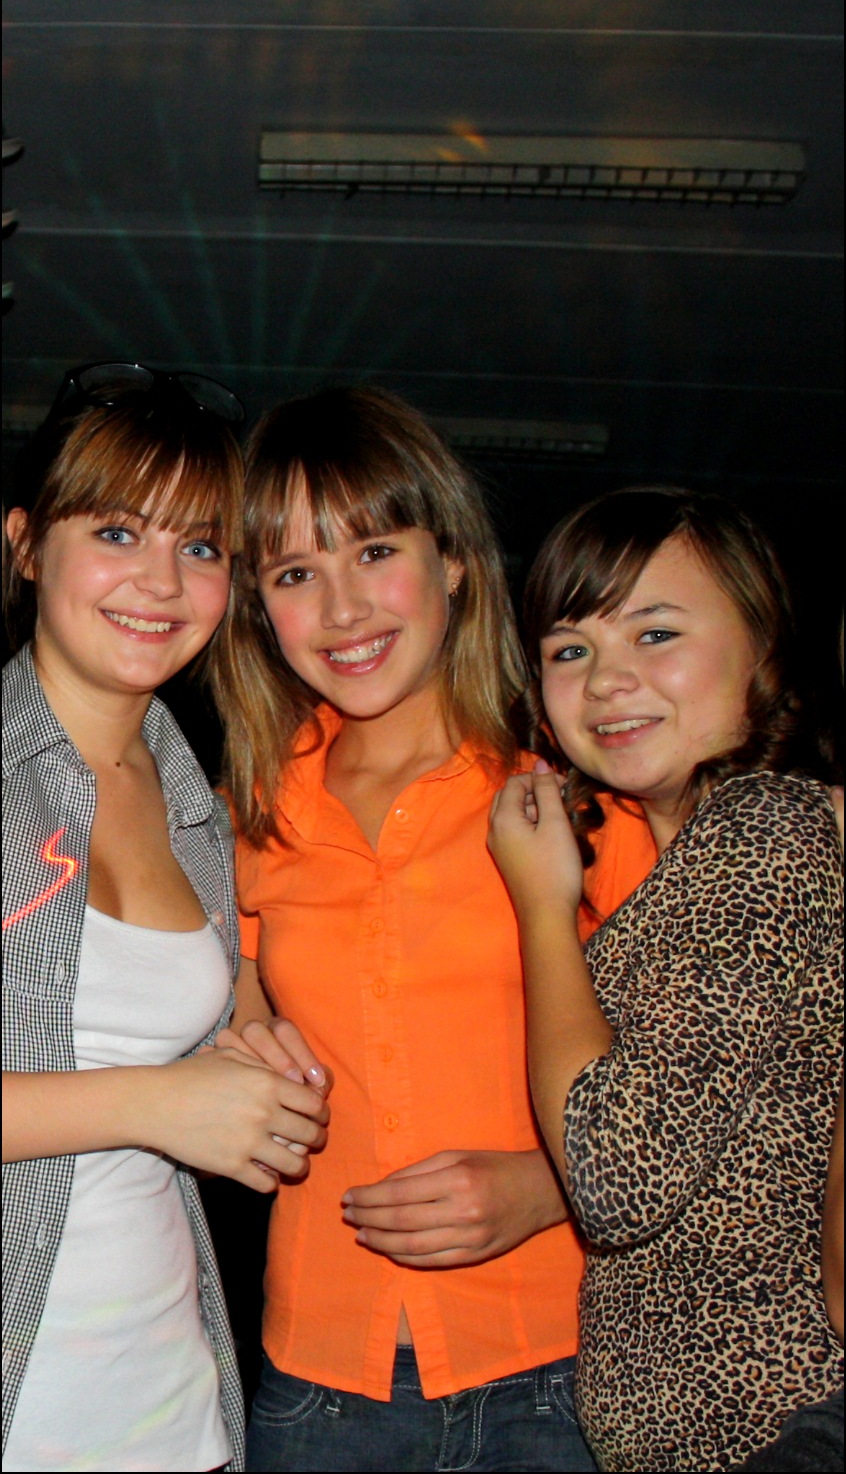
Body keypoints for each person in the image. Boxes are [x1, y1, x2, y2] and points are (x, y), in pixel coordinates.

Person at [208, 385, 656, 1474]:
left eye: (375, 552)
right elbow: (228, 1028)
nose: (343, 609)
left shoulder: (575, 797)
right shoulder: (247, 812)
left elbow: (704, 1089)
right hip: (320, 1379)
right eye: (295, 574)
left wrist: (548, 1189)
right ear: (260, 606)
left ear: (452, 560)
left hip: (560, 1366)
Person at [2, 366, 329, 1474]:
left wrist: (249, 1057)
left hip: (173, 1401)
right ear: (25, 545)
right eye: (117, 531)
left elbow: (188, 1047)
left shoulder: (197, 804)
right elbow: (152, 1095)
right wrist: (159, 1100)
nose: (161, 581)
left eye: (200, 546)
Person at [488, 487, 844, 1473]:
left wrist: (542, 908)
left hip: (775, 1431)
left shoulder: (764, 829)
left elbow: (614, 1176)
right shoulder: (708, 859)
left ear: (763, 645)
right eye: (570, 649)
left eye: (656, 633)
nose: (608, 680)